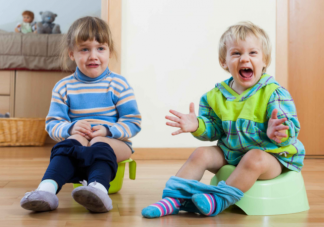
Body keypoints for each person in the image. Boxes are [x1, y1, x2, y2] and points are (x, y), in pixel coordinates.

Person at [142, 21, 305, 218]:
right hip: (232, 153)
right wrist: (197, 126)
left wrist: (278, 132)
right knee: (201, 153)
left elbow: (290, 127)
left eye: (252, 53)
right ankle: (174, 199)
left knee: (254, 157)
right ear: (224, 62)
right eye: (236, 53)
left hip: (271, 157)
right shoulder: (216, 96)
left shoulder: (274, 92)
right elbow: (214, 130)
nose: (244, 59)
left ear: (265, 60)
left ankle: (219, 199)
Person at [20, 17, 141, 213]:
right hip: (79, 143)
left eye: (100, 48)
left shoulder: (118, 84)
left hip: (115, 143)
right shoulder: (64, 87)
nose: (93, 55)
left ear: (109, 51)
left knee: (99, 144)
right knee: (67, 145)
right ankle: (46, 190)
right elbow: (53, 123)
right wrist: (70, 128)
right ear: (71, 53)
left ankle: (98, 190)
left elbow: (133, 122)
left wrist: (108, 130)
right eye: (85, 49)